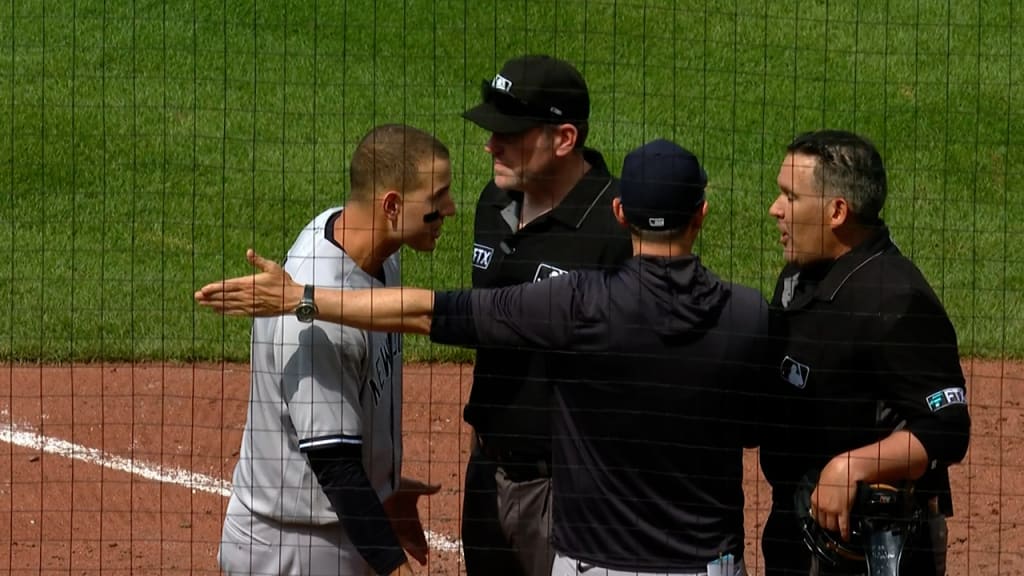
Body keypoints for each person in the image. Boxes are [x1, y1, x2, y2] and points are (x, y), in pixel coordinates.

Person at [196, 139, 769, 576]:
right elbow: (755, 432)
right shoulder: (748, 315)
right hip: (705, 562)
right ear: (703, 214)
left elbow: (433, 313)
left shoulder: (575, 303)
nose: (451, 208)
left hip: (596, 561)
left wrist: (301, 299)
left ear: (619, 214)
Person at [216, 124, 456, 576]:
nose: (451, 209)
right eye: (438, 198)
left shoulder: (376, 249)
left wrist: (389, 492)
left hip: (342, 532)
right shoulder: (315, 319)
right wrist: (395, 568)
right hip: (296, 549)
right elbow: (336, 468)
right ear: (392, 205)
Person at [757, 130, 972, 575]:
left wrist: (851, 466)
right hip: (797, 531)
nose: (775, 209)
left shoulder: (896, 300)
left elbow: (947, 429)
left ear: (837, 211)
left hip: (874, 548)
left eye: (790, 196)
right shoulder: (800, 277)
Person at [460, 54, 632, 575]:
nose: (492, 144)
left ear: (564, 139)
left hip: (570, 489)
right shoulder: (495, 201)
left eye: (510, 133)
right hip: (487, 473)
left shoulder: (618, 225)